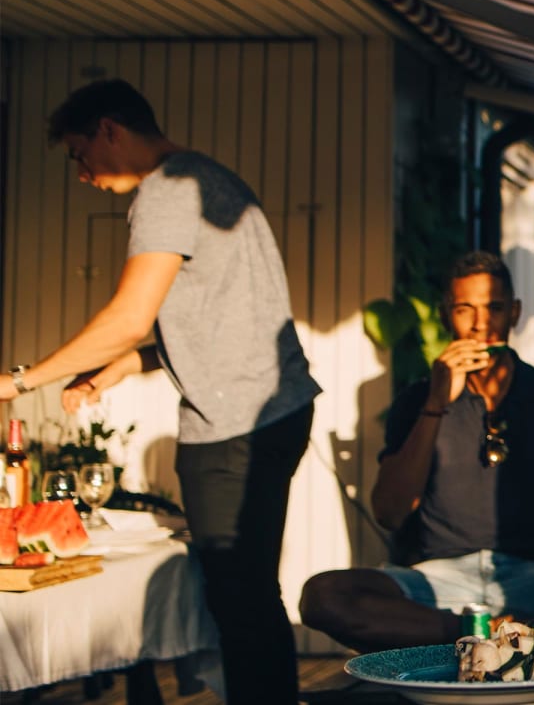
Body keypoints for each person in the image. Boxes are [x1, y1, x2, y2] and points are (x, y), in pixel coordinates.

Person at [2, 79, 322, 704]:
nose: (80, 172)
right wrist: (127, 365)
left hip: (235, 426)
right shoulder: (206, 180)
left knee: (242, 602)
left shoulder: (168, 189)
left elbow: (129, 314)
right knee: (251, 596)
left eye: (78, 153)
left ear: (109, 131)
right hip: (274, 409)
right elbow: (219, 319)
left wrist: (20, 381)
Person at [300, 251, 534, 652]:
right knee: (324, 595)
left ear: (514, 313)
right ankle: (484, 634)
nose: (481, 325)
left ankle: (488, 635)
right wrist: (436, 403)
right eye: (465, 309)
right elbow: (389, 512)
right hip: (439, 583)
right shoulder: (418, 400)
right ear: (446, 316)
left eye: (494, 308)